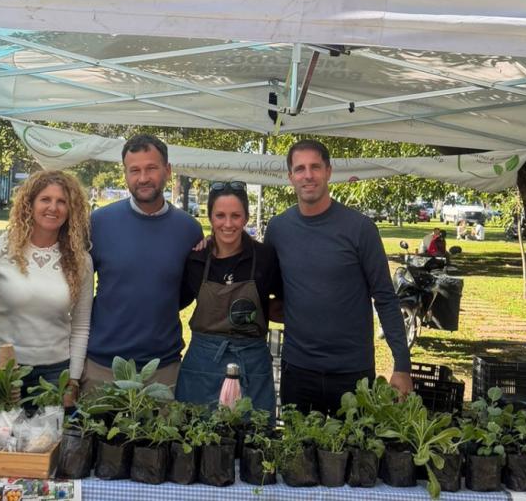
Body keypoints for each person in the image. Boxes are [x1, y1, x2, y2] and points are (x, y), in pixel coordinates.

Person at [264, 139, 412, 416]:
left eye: (315, 167)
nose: (308, 175)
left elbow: (385, 298)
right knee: (298, 444)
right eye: (300, 169)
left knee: (354, 445)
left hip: (352, 374)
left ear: (328, 172)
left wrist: (402, 366)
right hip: (298, 372)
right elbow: (271, 291)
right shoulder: (278, 229)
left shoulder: (360, 229)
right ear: (290, 177)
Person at [85, 134, 203, 392]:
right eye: (135, 170)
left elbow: (187, 292)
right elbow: (78, 288)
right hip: (101, 367)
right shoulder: (98, 223)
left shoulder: (189, 230)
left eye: (151, 168)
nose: (143, 178)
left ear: (167, 170)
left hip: (163, 369)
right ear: (125, 173)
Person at [0, 170, 92, 406]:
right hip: (1, 370)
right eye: (45, 199)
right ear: (29, 204)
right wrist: (10, 306)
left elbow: (81, 326)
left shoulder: (80, 261)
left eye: (62, 201)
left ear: (71, 209)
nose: (53, 207)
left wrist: (72, 381)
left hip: (54, 374)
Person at [175, 181, 282, 413]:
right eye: (220, 216)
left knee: (254, 430)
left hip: (251, 363)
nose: (228, 224)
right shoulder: (196, 259)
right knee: (196, 429)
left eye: (236, 216)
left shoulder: (265, 257)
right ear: (210, 218)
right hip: (203, 364)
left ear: (246, 218)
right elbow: (176, 302)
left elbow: (283, 302)